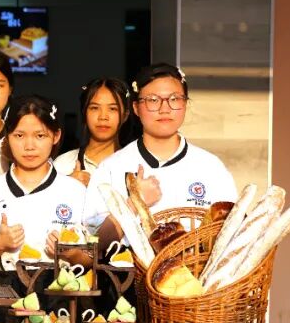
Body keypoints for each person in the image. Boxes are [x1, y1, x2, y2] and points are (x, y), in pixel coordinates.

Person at [85, 63, 237, 249]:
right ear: (136, 108)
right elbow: (92, 245)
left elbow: (231, 236)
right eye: (153, 100)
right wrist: (135, 204)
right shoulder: (111, 168)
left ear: (185, 104)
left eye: (174, 99)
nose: (164, 108)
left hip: (196, 268)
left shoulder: (211, 168)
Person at [0, 96, 89, 291]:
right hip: (5, 291)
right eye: (19, 135)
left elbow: (91, 259)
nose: (29, 146)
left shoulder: (75, 191)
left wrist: (70, 253)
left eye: (40, 136)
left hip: (60, 292)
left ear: (56, 136)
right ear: (7, 136)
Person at [53, 77, 132, 187]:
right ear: (84, 113)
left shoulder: (136, 164)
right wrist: (67, 186)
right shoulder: (64, 164)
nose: (103, 117)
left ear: (125, 115)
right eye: (95, 108)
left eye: (112, 109)